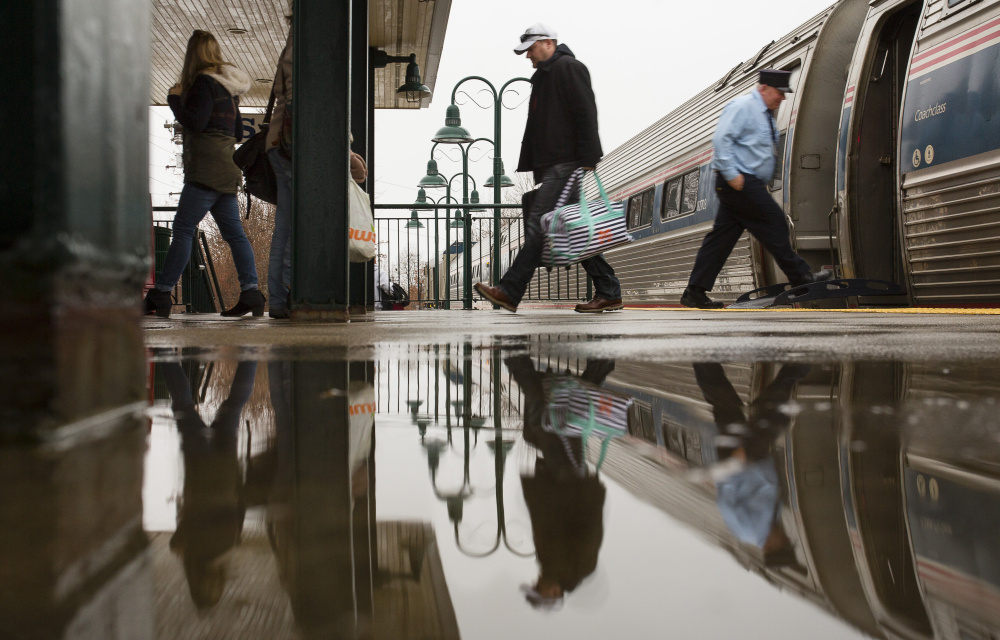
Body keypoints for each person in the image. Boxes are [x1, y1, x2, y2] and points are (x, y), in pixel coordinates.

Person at [474, 24, 623, 314]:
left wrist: (589, 157)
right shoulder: (545, 76)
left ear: (549, 43)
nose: (527, 55)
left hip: (566, 164)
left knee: (539, 227)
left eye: (531, 48)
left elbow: (586, 111)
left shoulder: (569, 68)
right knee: (568, 230)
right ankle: (608, 291)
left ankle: (508, 291)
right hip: (555, 165)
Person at [681, 69, 832, 309]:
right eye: (779, 93)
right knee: (775, 222)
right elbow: (721, 140)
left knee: (721, 239)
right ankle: (801, 277)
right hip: (739, 181)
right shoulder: (742, 107)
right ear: (763, 88)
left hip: (743, 183)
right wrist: (733, 177)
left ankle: (694, 292)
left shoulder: (763, 113)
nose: (782, 98)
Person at [144, 30, 264, 319]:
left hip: (206, 167)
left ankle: (161, 293)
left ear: (193, 54)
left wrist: (174, 100)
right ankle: (251, 292)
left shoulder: (203, 82)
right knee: (234, 234)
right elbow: (237, 131)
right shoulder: (228, 89)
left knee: (183, 229)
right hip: (227, 165)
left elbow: (195, 123)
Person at [266, 7, 367, 319]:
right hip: (297, 145)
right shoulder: (309, 45)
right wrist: (340, 145)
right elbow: (313, 101)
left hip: (279, 143)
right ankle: (289, 291)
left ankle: (278, 297)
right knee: (299, 225)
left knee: (285, 226)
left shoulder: (292, 42)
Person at [505, 355, 612, 610]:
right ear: (553, 593)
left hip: (560, 480)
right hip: (567, 481)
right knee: (539, 423)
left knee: (545, 424)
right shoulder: (576, 566)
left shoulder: (555, 565)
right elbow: (585, 523)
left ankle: (603, 362)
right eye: (538, 587)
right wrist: (580, 487)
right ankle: (515, 357)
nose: (536, 581)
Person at [160, 360, 256, 608]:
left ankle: (251, 353)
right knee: (183, 405)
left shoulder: (227, 546)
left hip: (224, 469)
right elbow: (177, 538)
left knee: (234, 404)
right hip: (198, 464)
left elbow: (240, 507)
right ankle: (164, 352)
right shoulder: (190, 551)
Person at [693, 362, 809, 566]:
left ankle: (797, 367)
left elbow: (725, 502)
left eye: (784, 541)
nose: (785, 536)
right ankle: (704, 361)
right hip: (755, 456)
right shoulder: (771, 522)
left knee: (768, 416)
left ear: (771, 546)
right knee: (727, 404)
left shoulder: (746, 531)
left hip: (741, 458)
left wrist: (733, 464)